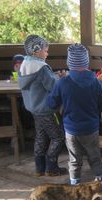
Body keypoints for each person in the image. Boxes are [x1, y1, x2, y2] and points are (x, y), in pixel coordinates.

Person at [47, 44, 102, 185]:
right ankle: (101, 183)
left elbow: (51, 104)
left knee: (74, 160)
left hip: (71, 129)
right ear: (86, 62)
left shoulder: (62, 82)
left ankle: (75, 186)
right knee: (94, 157)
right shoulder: (95, 81)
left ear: (69, 62)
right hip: (91, 128)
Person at [18, 34, 67, 177]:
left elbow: (42, 82)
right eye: (46, 50)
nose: (47, 53)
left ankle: (39, 168)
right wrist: (62, 78)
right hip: (47, 110)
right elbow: (53, 86)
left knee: (41, 137)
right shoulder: (41, 67)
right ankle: (51, 167)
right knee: (58, 137)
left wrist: (55, 75)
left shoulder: (25, 65)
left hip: (34, 109)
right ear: (37, 50)